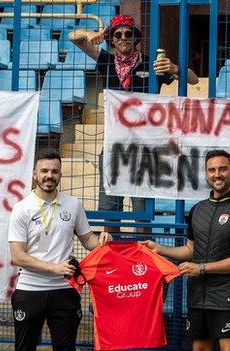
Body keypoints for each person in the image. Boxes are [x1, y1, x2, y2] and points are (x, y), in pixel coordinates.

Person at [69, 15, 199, 230]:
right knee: (110, 211)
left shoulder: (153, 64)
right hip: (114, 146)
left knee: (142, 214)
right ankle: (113, 258)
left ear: (135, 38)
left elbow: (193, 80)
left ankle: (142, 259)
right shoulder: (106, 61)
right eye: (117, 34)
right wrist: (94, 34)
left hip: (145, 148)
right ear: (111, 39)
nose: (123, 38)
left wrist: (174, 68)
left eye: (128, 34)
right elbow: (73, 37)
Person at [142, 149, 230, 351]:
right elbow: (191, 250)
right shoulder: (198, 210)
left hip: (228, 297)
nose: (217, 174)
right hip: (198, 296)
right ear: (206, 174)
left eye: (223, 169)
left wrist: (201, 268)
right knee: (199, 348)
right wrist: (160, 249)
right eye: (212, 170)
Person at [8, 151, 112, 351]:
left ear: (60, 175)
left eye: (55, 171)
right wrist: (54, 268)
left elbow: (88, 240)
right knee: (24, 348)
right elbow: (17, 256)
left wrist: (103, 241)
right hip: (30, 290)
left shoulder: (73, 204)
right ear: (34, 174)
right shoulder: (22, 208)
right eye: (44, 171)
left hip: (64, 291)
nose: (50, 175)